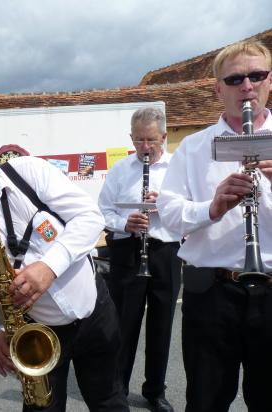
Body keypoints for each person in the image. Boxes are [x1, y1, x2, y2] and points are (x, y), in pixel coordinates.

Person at [0, 133, 129, 412]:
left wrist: (48, 267)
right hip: (37, 332)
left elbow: (90, 217)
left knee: (109, 401)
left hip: (95, 313)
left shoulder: (28, 171)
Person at [157, 40, 272, 412]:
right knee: (205, 400)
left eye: (257, 75)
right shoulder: (193, 147)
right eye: (235, 78)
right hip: (211, 293)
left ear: (270, 81)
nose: (247, 86)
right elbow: (169, 214)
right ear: (218, 88)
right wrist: (212, 208)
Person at [98, 107, 181, 412]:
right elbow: (103, 210)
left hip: (166, 253)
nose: (145, 148)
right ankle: (117, 388)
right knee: (125, 324)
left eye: (151, 140)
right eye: (138, 140)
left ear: (163, 136)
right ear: (131, 138)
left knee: (162, 325)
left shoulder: (178, 168)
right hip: (128, 251)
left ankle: (155, 391)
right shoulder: (121, 170)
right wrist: (125, 223)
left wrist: (167, 206)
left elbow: (192, 210)